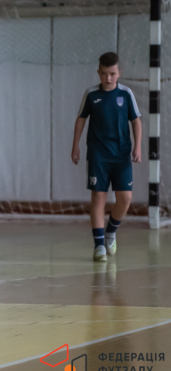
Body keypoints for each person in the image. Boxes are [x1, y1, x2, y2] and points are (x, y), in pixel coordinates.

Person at [71, 52, 141, 262]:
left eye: (112, 74)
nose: (108, 78)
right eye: (104, 73)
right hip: (98, 154)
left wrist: (137, 146)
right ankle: (99, 245)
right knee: (98, 197)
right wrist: (75, 145)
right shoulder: (91, 94)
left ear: (119, 73)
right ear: (98, 73)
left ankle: (111, 231)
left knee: (125, 198)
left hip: (121, 154)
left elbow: (136, 120)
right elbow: (81, 119)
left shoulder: (126, 94)